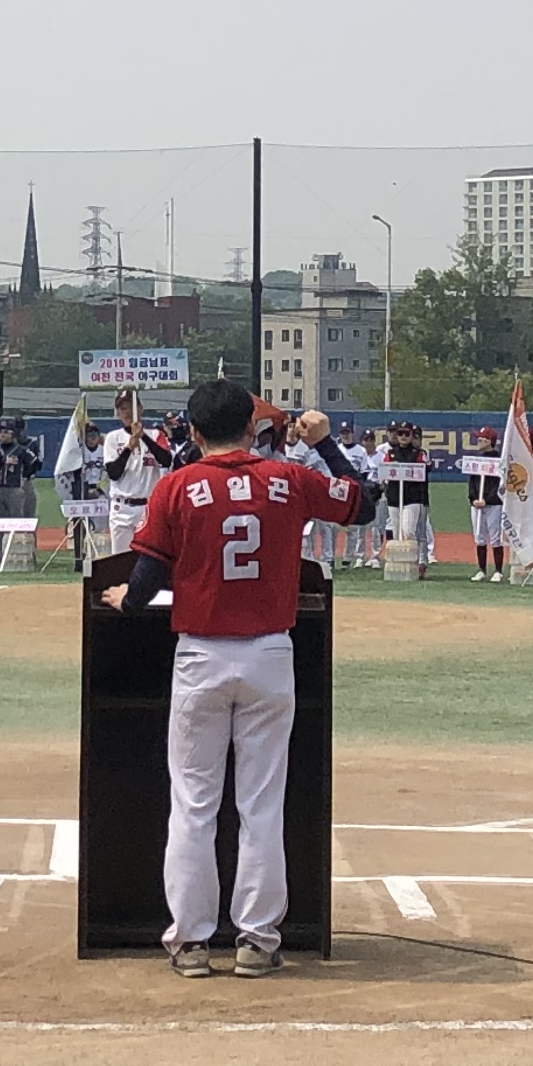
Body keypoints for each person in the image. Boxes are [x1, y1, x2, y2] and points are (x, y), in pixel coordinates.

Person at [99, 379, 368, 975]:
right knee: (261, 804)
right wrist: (324, 445)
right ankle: (257, 941)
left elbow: (142, 588)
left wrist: (122, 599)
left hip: (201, 656)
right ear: (253, 427)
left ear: (192, 433)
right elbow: (362, 502)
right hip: (271, 656)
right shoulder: (287, 479)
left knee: (194, 804)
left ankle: (191, 943)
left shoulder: (176, 485)